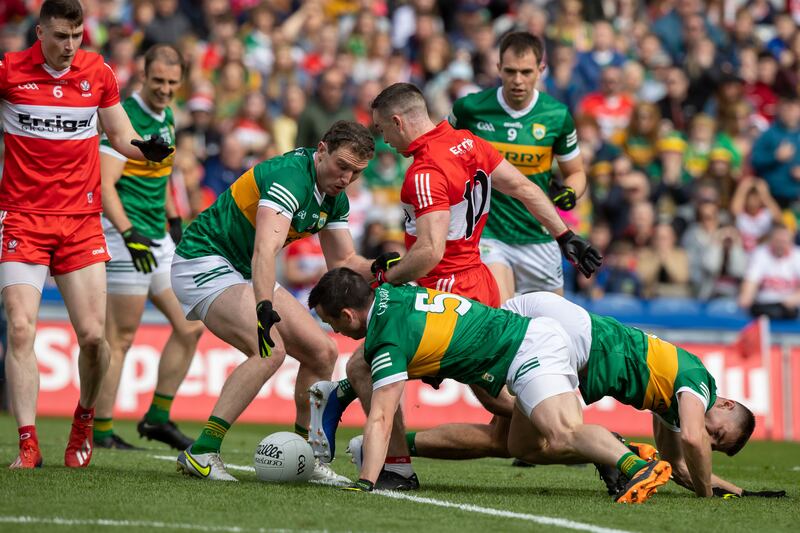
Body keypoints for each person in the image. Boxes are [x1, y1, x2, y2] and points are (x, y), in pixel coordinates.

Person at [307, 81, 601, 488]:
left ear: (397, 121)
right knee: (505, 414)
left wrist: (383, 279)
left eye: (382, 131)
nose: (384, 142)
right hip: (479, 282)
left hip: (442, 292)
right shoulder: (468, 142)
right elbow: (523, 188)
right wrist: (565, 235)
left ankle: (392, 463)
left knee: (370, 367)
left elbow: (429, 251)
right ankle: (596, 443)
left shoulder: (424, 171)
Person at [314, 269, 785, 500]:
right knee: (556, 426)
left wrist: (734, 491)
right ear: (722, 402)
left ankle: (382, 448)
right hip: (577, 338)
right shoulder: (696, 389)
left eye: (717, 442)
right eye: (720, 431)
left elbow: (680, 461)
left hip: (552, 332)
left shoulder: (675, 406)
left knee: (517, 441)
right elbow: (691, 444)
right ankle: (616, 450)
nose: (711, 437)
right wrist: (706, 491)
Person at [0, 0, 172, 469]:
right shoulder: (9, 71)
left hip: (80, 220)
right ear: (39, 32)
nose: (69, 46)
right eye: (60, 36)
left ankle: (83, 419)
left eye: (76, 37)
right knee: (19, 328)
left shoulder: (98, 71)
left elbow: (120, 135)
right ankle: (28, 443)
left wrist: (145, 148)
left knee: (96, 338)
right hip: (23, 218)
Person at [171, 120, 375, 483]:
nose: (346, 178)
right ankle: (201, 450)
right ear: (322, 150)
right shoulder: (289, 178)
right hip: (203, 260)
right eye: (341, 166)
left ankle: (306, 458)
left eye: (356, 172)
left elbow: (343, 262)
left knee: (322, 352)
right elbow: (265, 249)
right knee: (269, 349)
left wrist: (386, 266)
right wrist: (264, 308)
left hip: (243, 269)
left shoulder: (334, 197)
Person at [94, 44, 204, 450]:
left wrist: (174, 219)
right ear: (143, 76)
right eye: (158, 80)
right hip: (124, 238)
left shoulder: (169, 116)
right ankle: (100, 430)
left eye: (172, 82)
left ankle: (158, 418)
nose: (165, 88)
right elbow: (104, 186)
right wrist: (127, 233)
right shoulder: (128, 118)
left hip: (156, 236)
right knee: (120, 338)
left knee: (191, 325)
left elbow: (163, 177)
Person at [449, 31, 587, 301]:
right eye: (510, 71)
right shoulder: (470, 109)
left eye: (526, 72)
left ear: (541, 70)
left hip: (537, 232)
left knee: (551, 325)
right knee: (500, 312)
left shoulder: (557, 116)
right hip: (488, 232)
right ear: (498, 68)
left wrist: (570, 193)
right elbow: (440, 150)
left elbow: (576, 173)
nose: (518, 80)